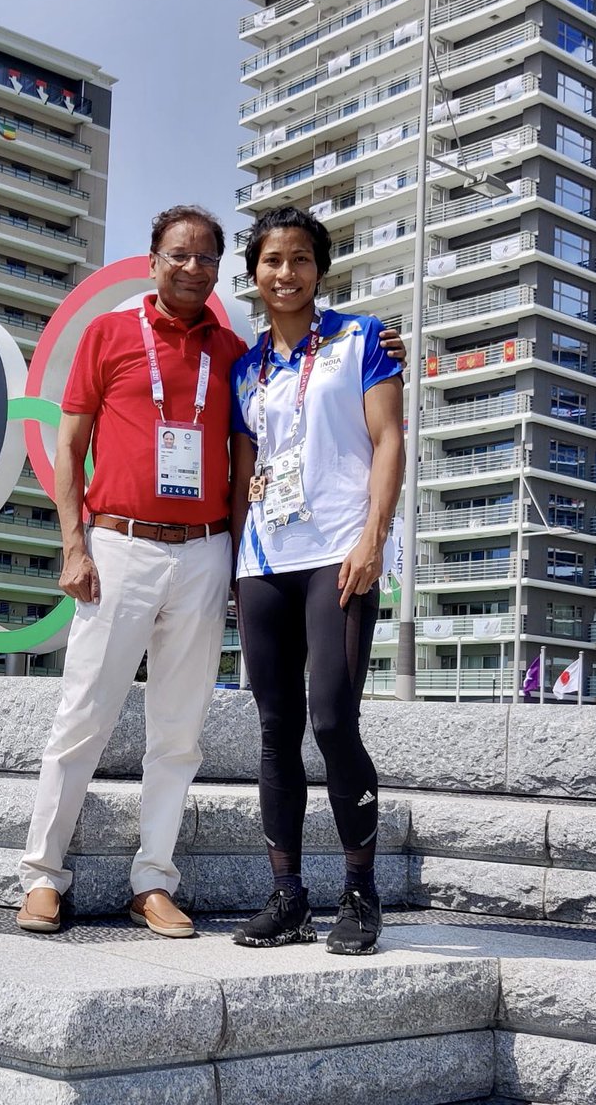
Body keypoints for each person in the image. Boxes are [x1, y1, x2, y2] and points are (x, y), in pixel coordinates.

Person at [17, 205, 407, 939]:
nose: (192, 268)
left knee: (186, 730)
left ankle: (157, 881)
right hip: (129, 547)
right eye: (178, 255)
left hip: (213, 553)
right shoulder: (121, 335)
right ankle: (42, 876)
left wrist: (363, 535)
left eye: (205, 258)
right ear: (154, 257)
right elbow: (69, 447)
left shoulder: (241, 351)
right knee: (84, 717)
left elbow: (279, 453)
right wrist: (73, 544)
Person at [228, 206, 404, 957]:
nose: (286, 273)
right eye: (272, 261)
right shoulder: (247, 368)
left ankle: (360, 894)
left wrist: (375, 537)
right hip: (265, 561)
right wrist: (234, 565)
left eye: (300, 259)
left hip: (340, 551)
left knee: (332, 721)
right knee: (275, 732)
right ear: (255, 275)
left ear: (320, 269)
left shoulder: (364, 339)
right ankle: (288, 895)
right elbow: (242, 474)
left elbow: (389, 438)